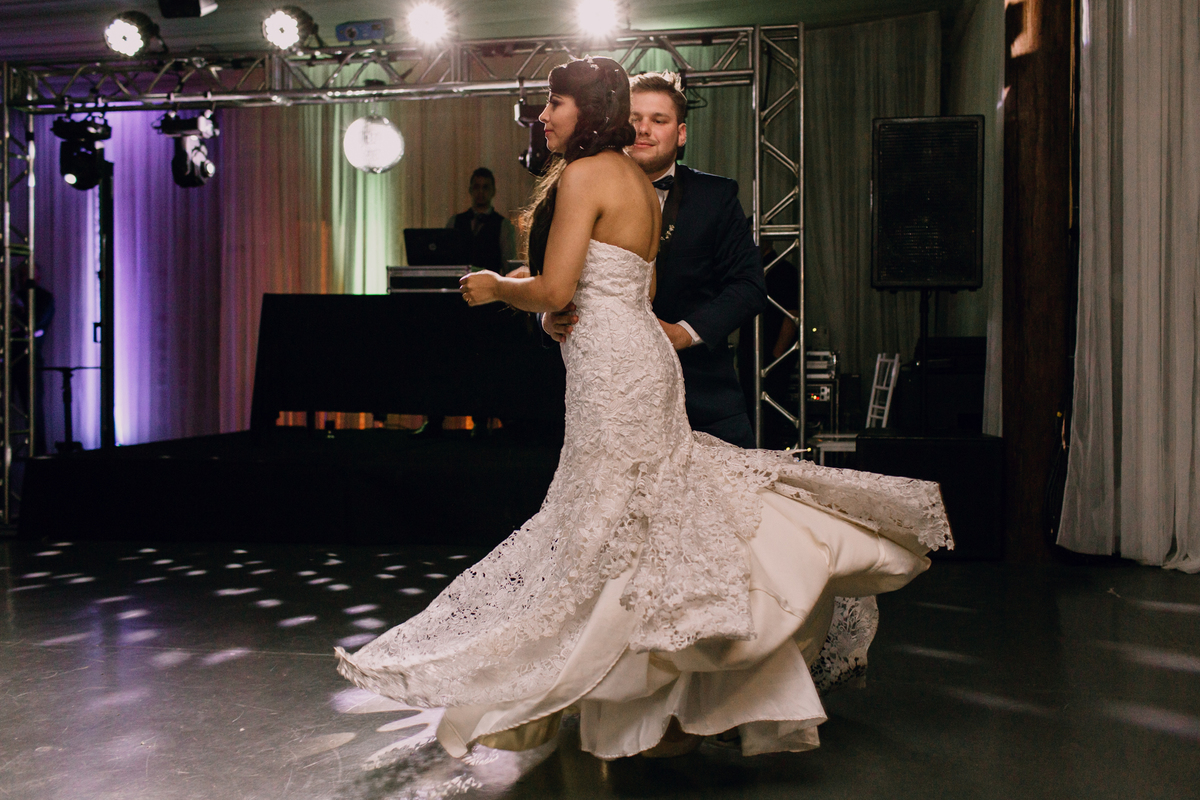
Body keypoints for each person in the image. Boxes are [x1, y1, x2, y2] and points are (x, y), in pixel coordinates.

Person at [336, 56, 951, 761]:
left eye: (555, 102)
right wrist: (563, 314)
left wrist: (495, 287)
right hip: (634, 359)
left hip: (613, 369)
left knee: (607, 516)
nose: (544, 115)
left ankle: (608, 690)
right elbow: (637, 284)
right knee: (630, 513)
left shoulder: (588, 174)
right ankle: (645, 692)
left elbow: (558, 288)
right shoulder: (634, 182)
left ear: (588, 109)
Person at [542, 71, 765, 448]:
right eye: (634, 119)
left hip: (703, 400)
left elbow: (749, 286)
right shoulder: (579, 185)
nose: (643, 130)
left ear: (680, 133)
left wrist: (682, 333)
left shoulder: (716, 196)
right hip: (608, 404)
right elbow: (549, 279)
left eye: (658, 121)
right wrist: (547, 317)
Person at [446, 167, 519, 274]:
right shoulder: (454, 221)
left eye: (485, 187)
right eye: (476, 187)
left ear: (493, 191)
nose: (481, 192)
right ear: (470, 190)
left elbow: (508, 265)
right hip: (458, 286)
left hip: (488, 287)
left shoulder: (503, 225)